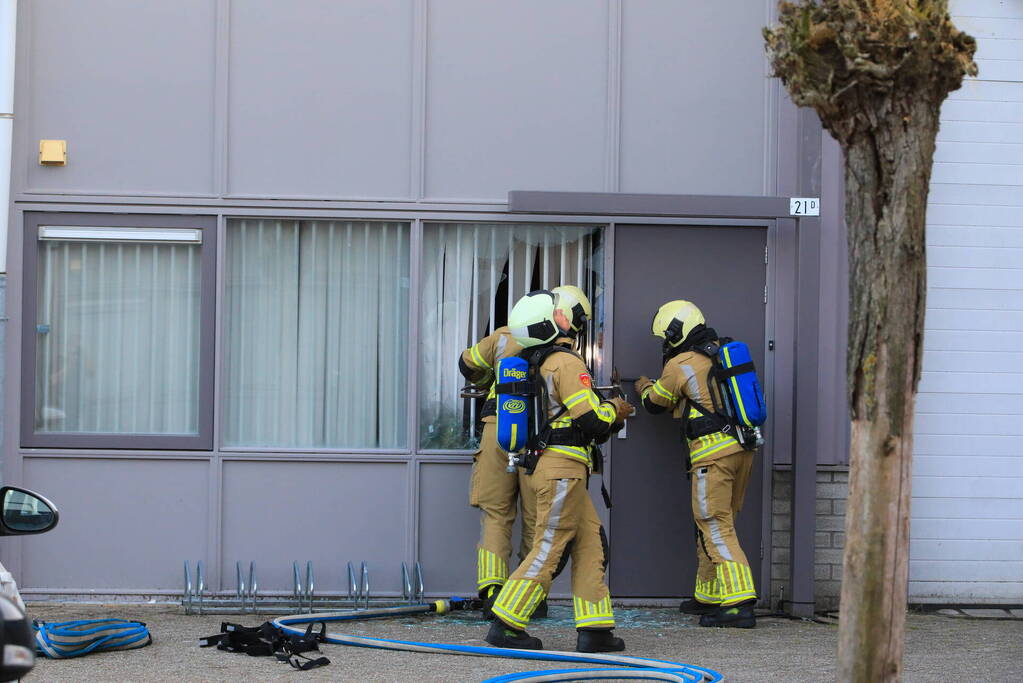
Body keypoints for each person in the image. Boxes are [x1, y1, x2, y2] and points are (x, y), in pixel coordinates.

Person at [485, 290, 633, 652]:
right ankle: (506, 622)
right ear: (547, 324)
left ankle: (595, 629)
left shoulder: (535, 362)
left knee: (590, 543)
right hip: (561, 469)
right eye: (558, 314)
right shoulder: (565, 363)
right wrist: (616, 408)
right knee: (549, 547)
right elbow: (592, 421)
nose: (566, 317)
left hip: (553, 467)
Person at [458, 286, 592, 619]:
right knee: (537, 518)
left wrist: (490, 376)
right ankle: (531, 595)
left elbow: (467, 362)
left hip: (498, 428)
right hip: (542, 441)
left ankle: (493, 592)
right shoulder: (565, 351)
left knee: (496, 513)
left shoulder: (507, 334)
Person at [634, 300, 757, 629]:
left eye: (667, 336)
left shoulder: (682, 362)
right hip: (741, 449)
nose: (665, 343)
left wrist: (642, 385)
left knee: (714, 525)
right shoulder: (720, 353)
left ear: (677, 331)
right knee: (715, 524)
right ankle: (708, 595)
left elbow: (655, 403)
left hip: (711, 454)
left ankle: (739, 602)